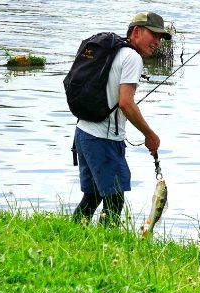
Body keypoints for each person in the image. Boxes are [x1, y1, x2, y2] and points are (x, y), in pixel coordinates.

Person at [72, 12, 171, 226]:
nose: (157, 42)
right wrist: (150, 135)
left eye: (161, 37)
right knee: (115, 201)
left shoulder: (113, 52)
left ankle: (71, 235)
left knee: (93, 197)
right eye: (153, 34)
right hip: (103, 140)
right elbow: (126, 102)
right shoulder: (132, 58)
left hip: (83, 133)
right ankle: (108, 249)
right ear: (136, 32)